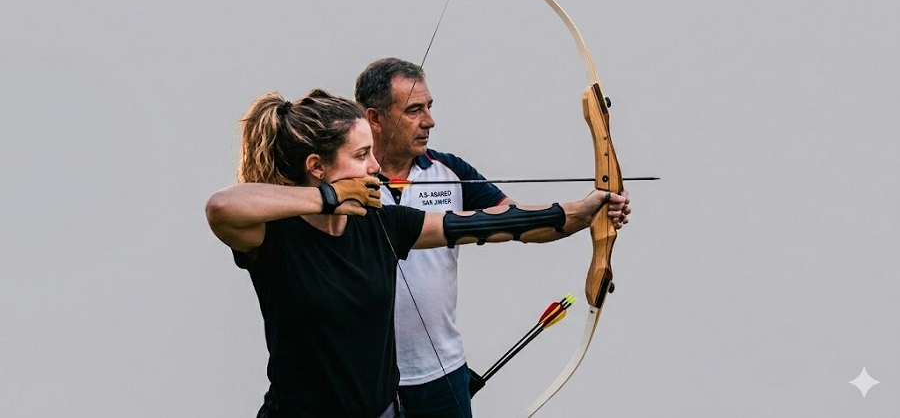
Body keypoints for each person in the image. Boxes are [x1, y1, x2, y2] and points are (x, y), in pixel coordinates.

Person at [205, 89, 628, 418]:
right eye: (361, 155)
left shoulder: (382, 224)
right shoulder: (274, 237)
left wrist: (581, 211)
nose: (374, 167)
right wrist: (327, 198)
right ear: (317, 167)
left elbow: (493, 224)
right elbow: (221, 206)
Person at [355, 58, 631, 418]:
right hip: (363, 377)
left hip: (441, 374)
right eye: (413, 110)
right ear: (375, 118)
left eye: (429, 107)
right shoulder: (341, 183)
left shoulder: (450, 172)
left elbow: (518, 222)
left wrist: (589, 213)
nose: (429, 121)